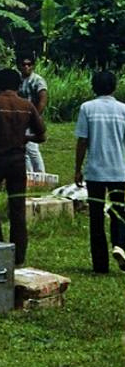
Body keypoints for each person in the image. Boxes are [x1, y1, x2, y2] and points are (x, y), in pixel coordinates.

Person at [0, 68, 45, 265]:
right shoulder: (27, 106)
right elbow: (42, 135)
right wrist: (24, 137)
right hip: (17, 162)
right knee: (17, 208)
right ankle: (19, 256)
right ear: (18, 85)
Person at [73, 71, 125, 274]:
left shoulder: (87, 108)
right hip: (119, 170)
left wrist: (78, 169)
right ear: (114, 87)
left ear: (94, 87)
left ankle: (100, 265)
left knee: (96, 218)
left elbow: (82, 140)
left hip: (95, 171)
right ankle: (120, 246)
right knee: (119, 214)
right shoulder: (123, 109)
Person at [18, 55, 49, 173]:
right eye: (24, 64)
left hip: (32, 117)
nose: (26, 67)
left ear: (33, 66)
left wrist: (34, 118)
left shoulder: (37, 80)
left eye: (29, 64)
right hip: (21, 118)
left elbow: (42, 100)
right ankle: (29, 174)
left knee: (32, 148)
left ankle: (41, 174)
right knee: (23, 148)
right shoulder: (19, 80)